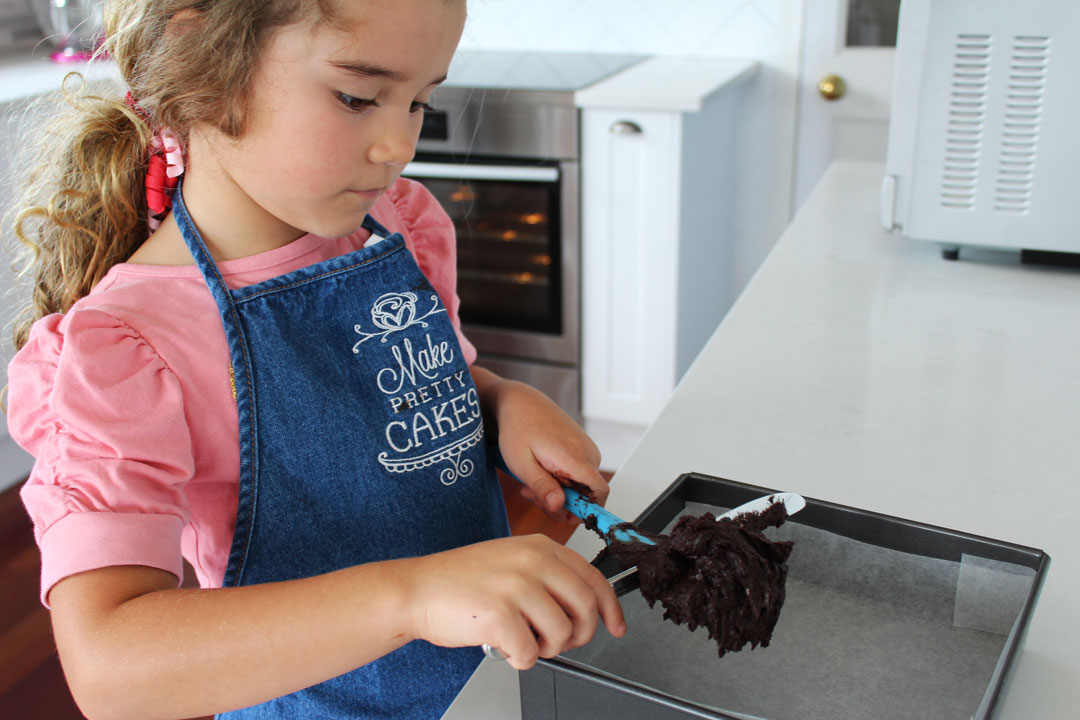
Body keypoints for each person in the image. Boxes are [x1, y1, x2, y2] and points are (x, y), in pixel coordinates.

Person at [3, 1, 626, 718]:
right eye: (357, 97)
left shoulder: (398, 229)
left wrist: (501, 402)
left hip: (484, 685)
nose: (398, 143)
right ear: (206, 63)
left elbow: (400, 392)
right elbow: (111, 667)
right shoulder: (129, 350)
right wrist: (414, 597)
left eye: (420, 100)